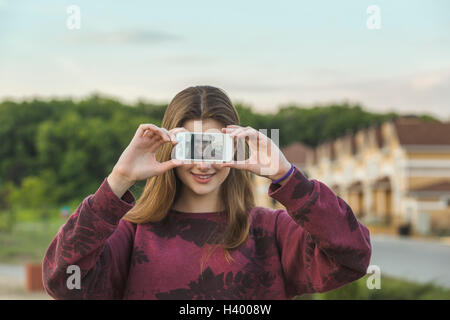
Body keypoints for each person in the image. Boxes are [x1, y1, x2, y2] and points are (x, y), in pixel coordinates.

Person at [42, 85, 371, 300]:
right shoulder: (132, 234)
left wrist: (289, 178)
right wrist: (118, 181)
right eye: (191, 147)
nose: (203, 164)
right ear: (169, 147)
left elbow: (353, 256)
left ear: (235, 145)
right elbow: (62, 280)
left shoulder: (271, 231)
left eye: (214, 147)